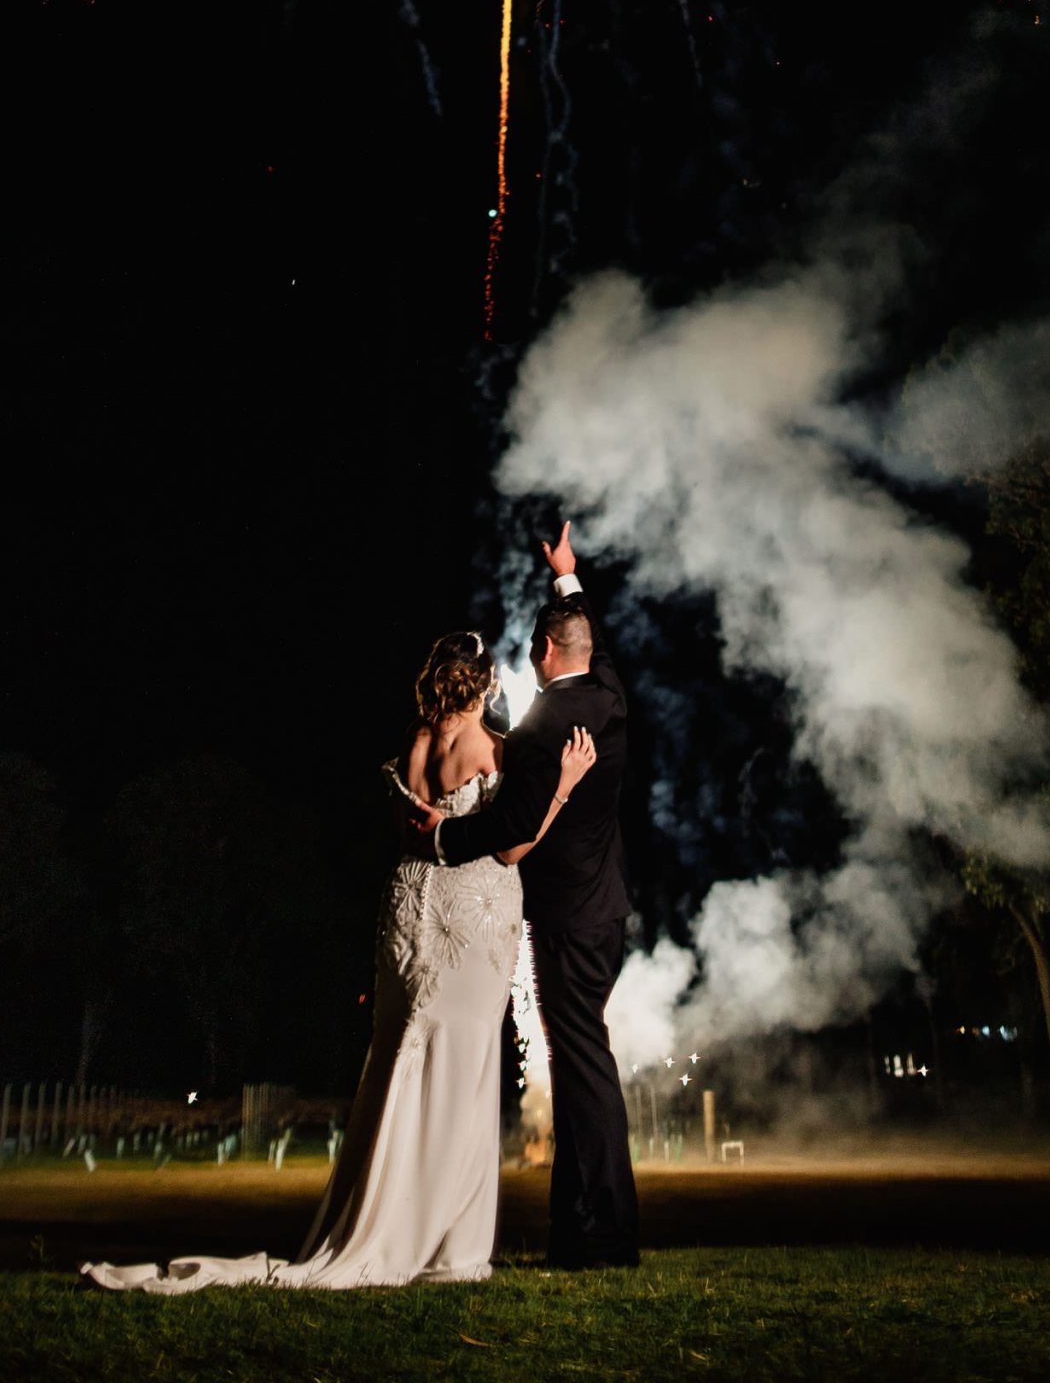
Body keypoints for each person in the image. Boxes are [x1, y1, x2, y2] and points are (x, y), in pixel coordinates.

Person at [81, 622, 595, 1293]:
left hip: (409, 915)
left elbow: (409, 841)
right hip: (473, 920)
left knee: (399, 1060)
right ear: (489, 684)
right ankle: (444, 1243)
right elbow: (511, 848)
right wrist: (561, 787)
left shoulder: (412, 747)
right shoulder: (490, 751)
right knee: (462, 1073)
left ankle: (385, 1216)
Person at [419, 524, 639, 1270]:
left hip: (567, 920)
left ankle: (607, 1234)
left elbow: (511, 831)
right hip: (606, 913)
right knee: (580, 1066)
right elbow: (597, 650)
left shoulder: (545, 725)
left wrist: (443, 842)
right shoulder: (608, 700)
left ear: (544, 653)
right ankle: (577, 1233)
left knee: (584, 1071)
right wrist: (567, 579)